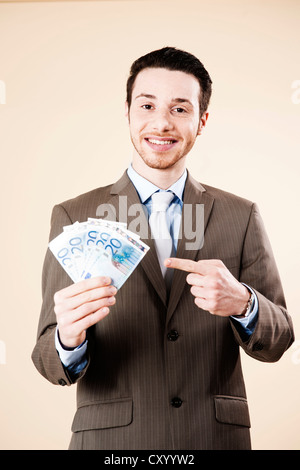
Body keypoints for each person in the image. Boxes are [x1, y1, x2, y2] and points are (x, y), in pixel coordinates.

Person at [32, 47, 294, 450]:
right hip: (114, 443)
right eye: (147, 105)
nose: (161, 123)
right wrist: (68, 338)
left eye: (180, 109)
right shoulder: (73, 215)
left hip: (214, 437)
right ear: (127, 112)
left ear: (202, 120)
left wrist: (244, 302)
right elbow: (48, 362)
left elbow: (280, 339)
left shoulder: (241, 215)